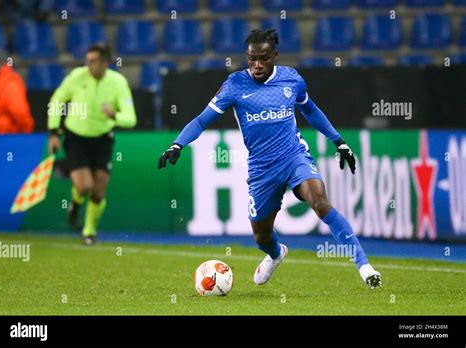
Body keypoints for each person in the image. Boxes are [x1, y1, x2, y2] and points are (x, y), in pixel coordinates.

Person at [158, 30, 382, 289]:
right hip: (262, 170)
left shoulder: (291, 80)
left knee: (319, 200)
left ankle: (365, 266)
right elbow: (201, 120)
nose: (257, 65)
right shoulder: (234, 85)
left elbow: (310, 110)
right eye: (252, 59)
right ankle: (276, 254)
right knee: (261, 236)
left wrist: (338, 141)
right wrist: (178, 144)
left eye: (263, 58)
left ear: (275, 55)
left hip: (293, 157)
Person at [48, 43, 136, 245]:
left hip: (102, 139)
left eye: (93, 61)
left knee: (98, 191)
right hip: (75, 137)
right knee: (85, 186)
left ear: (105, 63)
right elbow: (56, 101)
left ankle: (89, 231)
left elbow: (130, 119)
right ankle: (76, 205)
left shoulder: (118, 82)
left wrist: (115, 115)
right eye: (87, 60)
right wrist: (54, 131)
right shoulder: (77, 77)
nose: (88, 65)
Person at [0, 49, 34, 134]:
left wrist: (27, 128)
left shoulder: (9, 82)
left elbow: (19, 111)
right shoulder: (9, 80)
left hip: (4, 135)